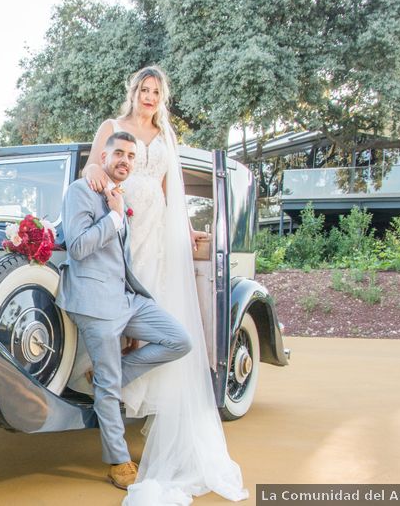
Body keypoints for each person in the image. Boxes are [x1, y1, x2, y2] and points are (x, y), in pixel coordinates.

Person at [79, 66, 249, 505]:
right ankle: (110, 414)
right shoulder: (112, 128)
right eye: (143, 89)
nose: (149, 97)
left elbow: (174, 192)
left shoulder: (167, 135)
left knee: (162, 330)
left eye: (156, 91)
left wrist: (187, 231)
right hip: (120, 234)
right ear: (132, 92)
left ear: (162, 97)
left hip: (159, 238)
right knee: (115, 325)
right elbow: (93, 168)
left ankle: (113, 384)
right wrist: (96, 176)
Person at [55, 130, 192, 490]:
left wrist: (119, 214)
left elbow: (122, 259)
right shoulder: (80, 192)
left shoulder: (120, 195)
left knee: (178, 340)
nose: (125, 161)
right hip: (93, 302)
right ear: (104, 156)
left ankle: (105, 383)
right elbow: (79, 247)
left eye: (131, 156)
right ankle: (118, 461)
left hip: (127, 299)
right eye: (119, 154)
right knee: (109, 381)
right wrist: (115, 218)